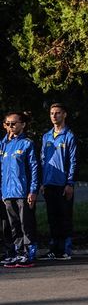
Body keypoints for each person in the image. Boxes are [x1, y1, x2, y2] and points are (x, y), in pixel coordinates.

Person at [2, 111, 41, 267]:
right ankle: (18, 253)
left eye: (14, 123)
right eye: (8, 124)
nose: (10, 126)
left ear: (23, 125)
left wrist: (33, 190)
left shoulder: (27, 144)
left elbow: (34, 168)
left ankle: (29, 253)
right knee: (14, 225)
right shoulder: (5, 145)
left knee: (26, 224)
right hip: (7, 192)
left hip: (23, 192)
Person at [41, 102, 79, 260]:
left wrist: (70, 183)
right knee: (52, 218)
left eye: (57, 113)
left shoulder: (69, 136)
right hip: (49, 184)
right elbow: (43, 160)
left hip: (63, 184)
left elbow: (73, 161)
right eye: (52, 113)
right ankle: (54, 249)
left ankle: (65, 250)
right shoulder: (46, 136)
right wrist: (42, 182)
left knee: (64, 218)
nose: (54, 116)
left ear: (64, 115)